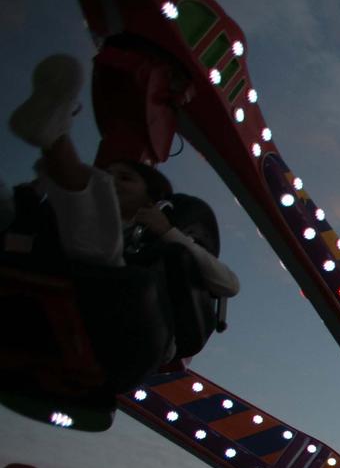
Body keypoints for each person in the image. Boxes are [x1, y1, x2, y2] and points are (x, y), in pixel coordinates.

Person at [7, 53, 240, 302]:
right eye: (108, 175)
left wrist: (168, 232)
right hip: (39, 266)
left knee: (99, 240)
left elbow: (229, 285)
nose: (112, 181)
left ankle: (55, 137)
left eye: (125, 179)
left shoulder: (146, 237)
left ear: (149, 198)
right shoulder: (59, 208)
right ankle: (53, 137)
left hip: (106, 303)